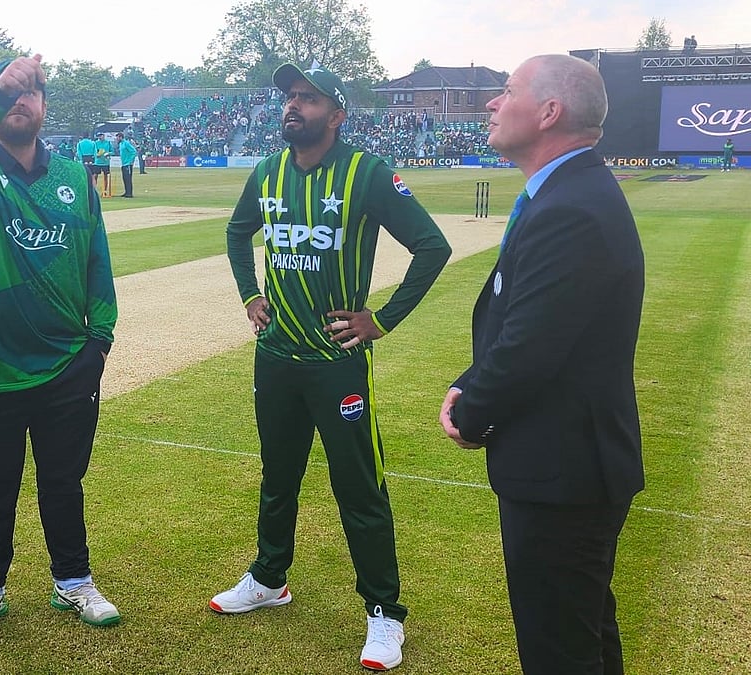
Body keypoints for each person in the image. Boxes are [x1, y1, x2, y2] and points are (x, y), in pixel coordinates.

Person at [216, 62, 451, 672]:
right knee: (278, 475)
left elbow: (433, 246)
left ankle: (384, 613)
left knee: (358, 487)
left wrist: (382, 318)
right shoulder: (267, 171)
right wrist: (249, 293)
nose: (293, 106)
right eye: (290, 97)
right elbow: (238, 233)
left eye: (308, 99)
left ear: (337, 114)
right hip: (277, 359)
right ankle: (270, 578)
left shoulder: (365, 173)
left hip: (336, 363)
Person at [439, 54, 645, 675]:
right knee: (581, 635)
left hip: (564, 471)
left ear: (549, 112)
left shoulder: (571, 208)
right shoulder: (563, 193)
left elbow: (531, 347)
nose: (492, 105)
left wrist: (470, 413)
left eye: (505, 92)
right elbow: (529, 321)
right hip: (565, 464)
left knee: (560, 650)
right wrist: (466, 382)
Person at [0, 53, 120, 642]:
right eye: (16, 94)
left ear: (45, 107)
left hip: (69, 364)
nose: (23, 101)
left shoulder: (73, 177)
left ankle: (74, 581)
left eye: (34, 92)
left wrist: (100, 339)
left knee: (64, 483)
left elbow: (98, 264)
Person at [116, 132, 137, 198]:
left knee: (128, 179)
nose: (116, 139)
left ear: (120, 137)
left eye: (117, 137)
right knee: (124, 178)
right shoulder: (121, 144)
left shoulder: (126, 143)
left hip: (128, 164)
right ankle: (126, 192)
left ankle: (129, 193)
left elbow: (134, 152)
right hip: (123, 164)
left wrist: (130, 161)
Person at [93, 132, 113, 197]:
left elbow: (112, 151)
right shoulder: (95, 143)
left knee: (105, 176)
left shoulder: (108, 143)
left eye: (100, 136)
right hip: (97, 162)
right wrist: (96, 155)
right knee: (95, 176)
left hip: (105, 162)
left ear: (103, 136)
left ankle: (105, 191)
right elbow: (94, 152)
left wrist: (108, 153)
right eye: (98, 136)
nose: (99, 137)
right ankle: (94, 190)